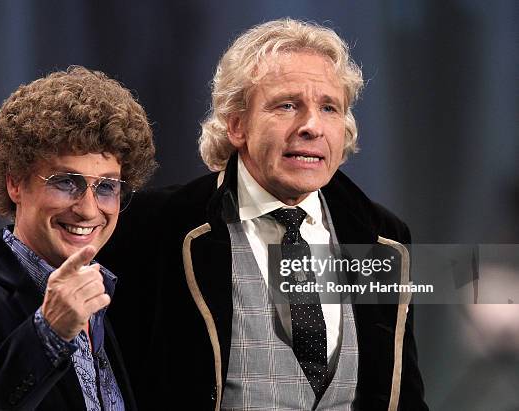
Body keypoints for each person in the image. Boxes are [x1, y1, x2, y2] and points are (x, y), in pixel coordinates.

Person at [102, 19, 428, 410]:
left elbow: (404, 394)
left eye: (329, 107)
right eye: (287, 105)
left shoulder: (385, 239)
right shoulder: (156, 225)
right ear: (237, 125)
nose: (311, 126)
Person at [0, 66, 156, 410]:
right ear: (15, 183)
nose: (88, 209)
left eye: (106, 187)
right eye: (65, 182)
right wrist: (48, 333)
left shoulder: (107, 300)